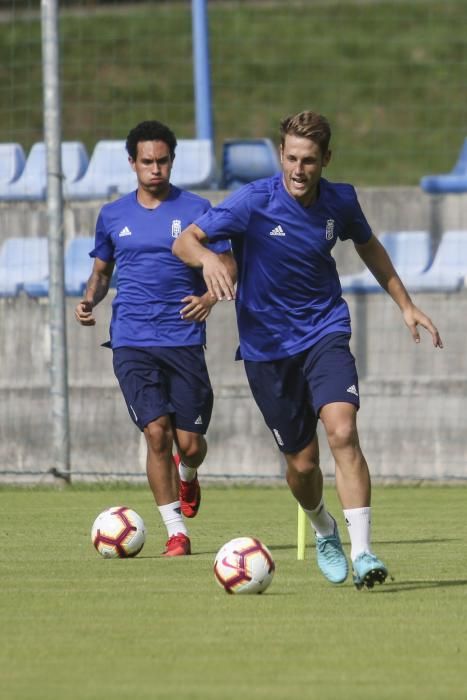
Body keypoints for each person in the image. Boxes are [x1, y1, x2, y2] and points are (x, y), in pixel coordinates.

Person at [172, 110, 443, 588]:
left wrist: (406, 304)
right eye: (292, 158)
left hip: (324, 332)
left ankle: (363, 553)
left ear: (326, 160)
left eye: (310, 161)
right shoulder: (253, 201)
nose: (299, 170)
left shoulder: (341, 201)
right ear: (281, 155)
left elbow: (369, 245)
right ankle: (324, 528)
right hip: (266, 350)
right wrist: (211, 259)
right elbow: (185, 241)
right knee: (302, 466)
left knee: (342, 431)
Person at [75, 120, 234, 557]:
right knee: (156, 434)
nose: (155, 169)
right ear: (133, 163)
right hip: (131, 338)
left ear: (172, 161)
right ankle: (176, 533)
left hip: (183, 337)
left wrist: (208, 297)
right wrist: (89, 298)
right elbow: (102, 273)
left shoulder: (199, 208)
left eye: (163, 160)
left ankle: (189, 475)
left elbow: (227, 264)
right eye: (147, 161)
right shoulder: (112, 215)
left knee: (190, 444)